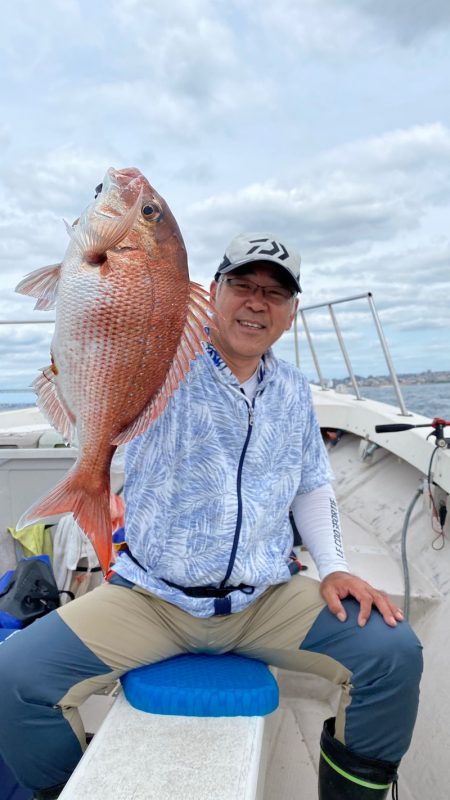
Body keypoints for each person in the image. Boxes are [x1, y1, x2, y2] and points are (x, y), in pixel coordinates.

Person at [0, 232, 422, 799]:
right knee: (14, 679)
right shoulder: (160, 363)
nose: (257, 303)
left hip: (264, 601)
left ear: (292, 311)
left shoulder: (294, 391)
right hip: (152, 600)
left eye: (275, 293)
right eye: (243, 285)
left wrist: (335, 567)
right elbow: (102, 338)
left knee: (394, 655)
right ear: (213, 290)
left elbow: (312, 484)